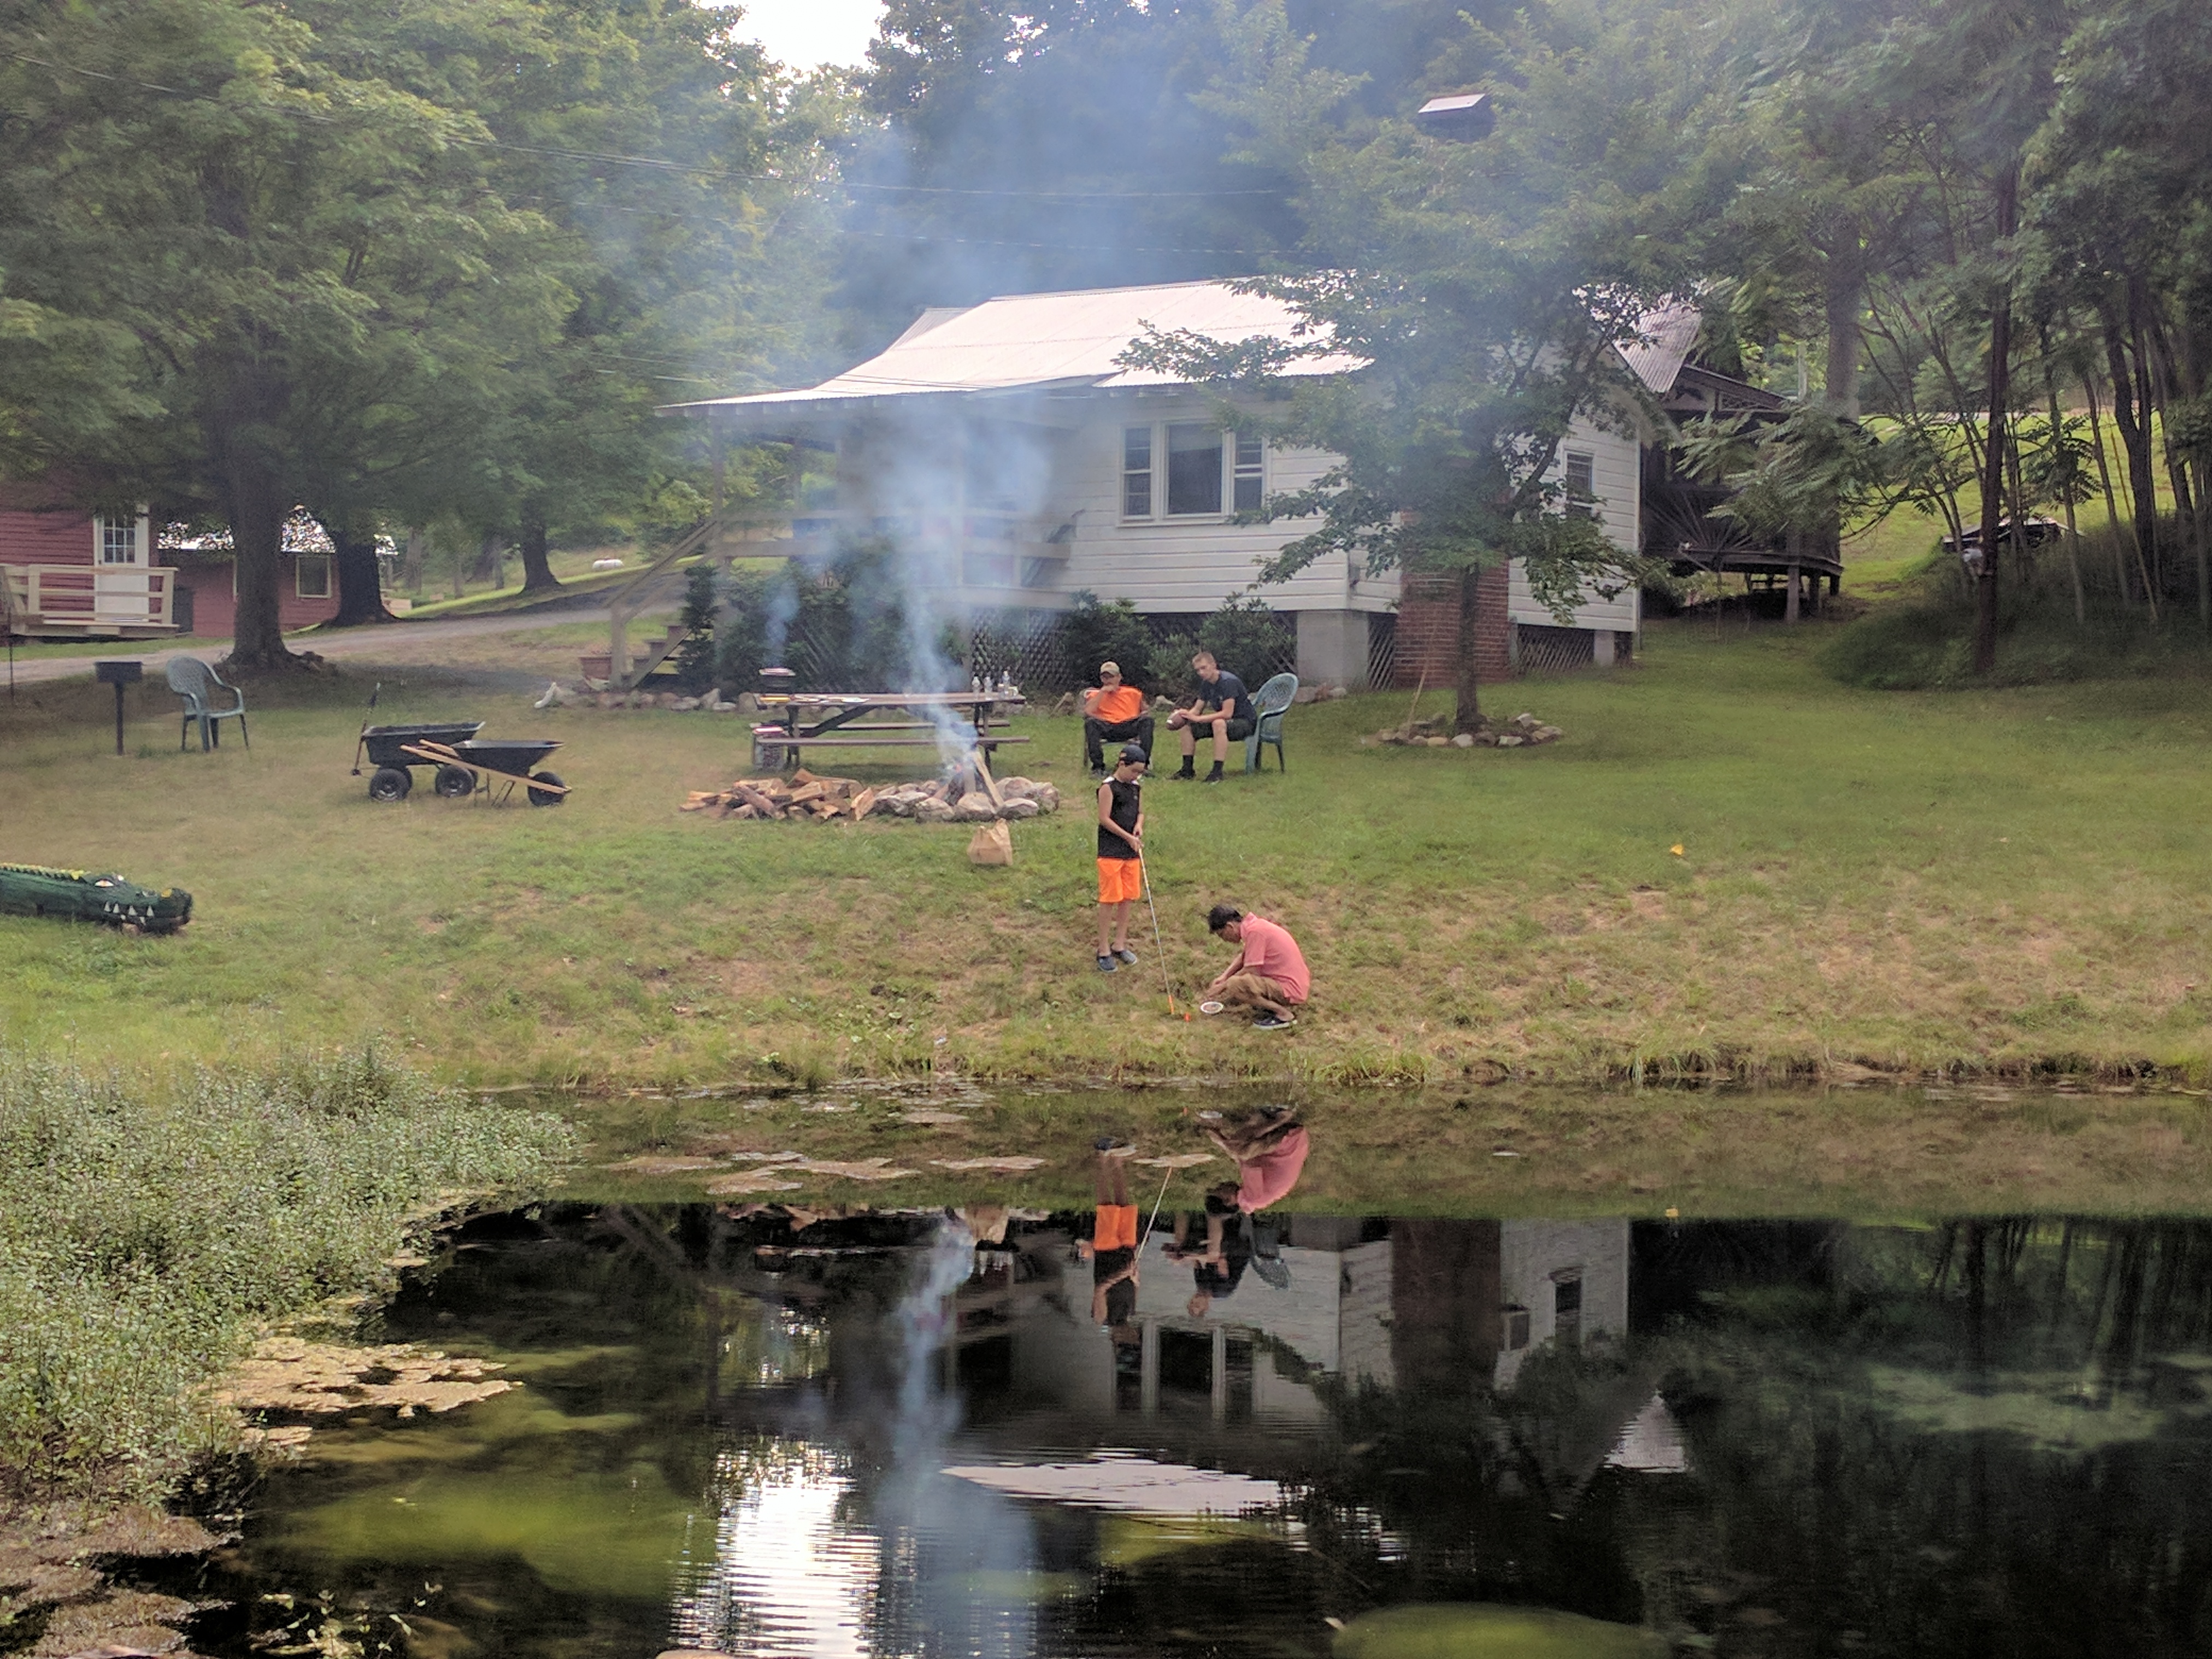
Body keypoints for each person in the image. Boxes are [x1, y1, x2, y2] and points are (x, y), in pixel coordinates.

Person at [1202, 903, 1310, 1029]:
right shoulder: (1255, 926)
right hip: (1294, 982)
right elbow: (1245, 956)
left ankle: (1284, 1015)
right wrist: (1224, 976)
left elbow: (1252, 970)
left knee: (1235, 985)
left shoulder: (1256, 933)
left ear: (1229, 927)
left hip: (1291, 988)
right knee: (1233, 982)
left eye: (1222, 935)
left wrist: (1223, 986)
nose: (1224, 940)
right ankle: (1267, 1005)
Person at [1074, 1138, 1142, 1328]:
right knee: (1124, 1205)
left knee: (1106, 1206)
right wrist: (1136, 1278)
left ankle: (1102, 1156)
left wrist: (1123, 1274)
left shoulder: (1101, 1319)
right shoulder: (1131, 1313)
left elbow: (1100, 1289)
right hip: (1127, 1250)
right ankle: (1118, 1161)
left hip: (1107, 1250)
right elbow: (1134, 1286)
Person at [1094, 744, 1146, 973]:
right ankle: (1103, 948)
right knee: (1109, 899)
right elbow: (1104, 819)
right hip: (1111, 852)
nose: (1136, 776)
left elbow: (1141, 812)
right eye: (1134, 771)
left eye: (1140, 773)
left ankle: (1120, 944)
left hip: (1130, 853)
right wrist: (1126, 837)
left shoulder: (1136, 787)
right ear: (1122, 764)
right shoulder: (1108, 788)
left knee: (1127, 898)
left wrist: (1138, 826)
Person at [1165, 651, 1254, 783]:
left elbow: (1227, 713)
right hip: (1224, 722)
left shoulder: (1228, 682)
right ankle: (1187, 770)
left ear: (1214, 665)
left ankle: (1217, 772)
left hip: (1244, 722)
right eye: (1198, 670)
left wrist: (1199, 719)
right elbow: (1197, 709)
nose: (1201, 673)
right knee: (1187, 726)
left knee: (1218, 723)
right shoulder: (1206, 683)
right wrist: (1184, 715)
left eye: (1204, 668)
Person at [1081, 661, 1153, 774]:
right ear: (1101, 679)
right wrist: (1102, 693)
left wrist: (1144, 714)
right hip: (1107, 727)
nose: (1108, 680)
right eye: (1105, 677)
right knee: (1091, 723)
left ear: (1119, 677)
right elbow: (1088, 712)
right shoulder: (1095, 695)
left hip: (1128, 725)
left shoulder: (1133, 693)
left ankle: (1142, 765)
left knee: (1147, 721)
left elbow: (1145, 711)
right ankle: (1098, 767)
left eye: (1111, 677)